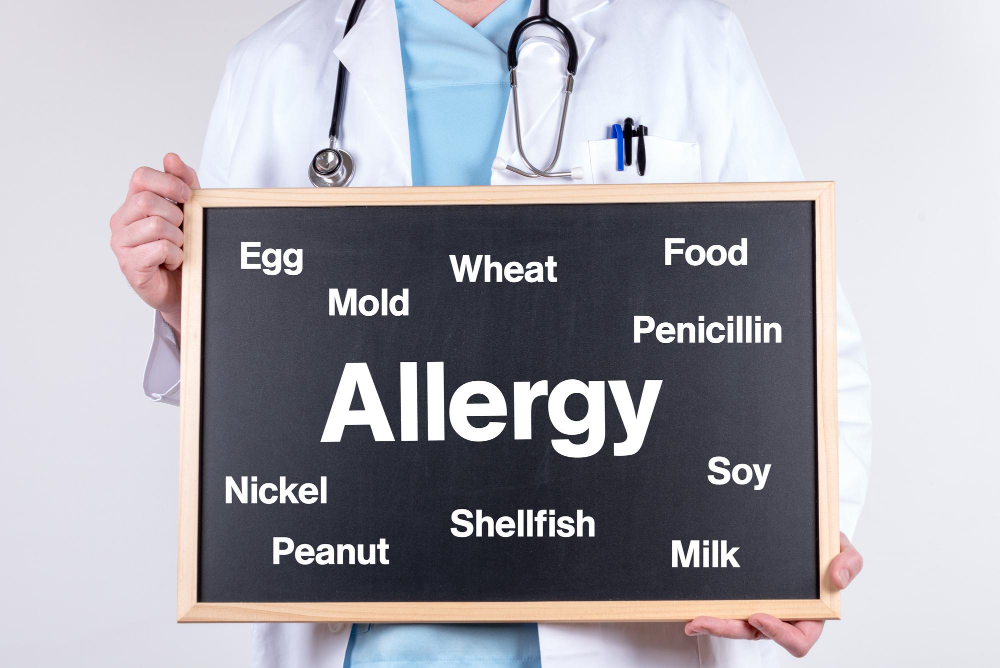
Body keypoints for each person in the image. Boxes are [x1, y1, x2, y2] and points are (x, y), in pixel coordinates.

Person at [109, 0, 871, 665]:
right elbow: (272, 387)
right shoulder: (275, 67)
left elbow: (797, 338)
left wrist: (794, 551)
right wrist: (188, 307)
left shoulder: (688, 43)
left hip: (620, 635)